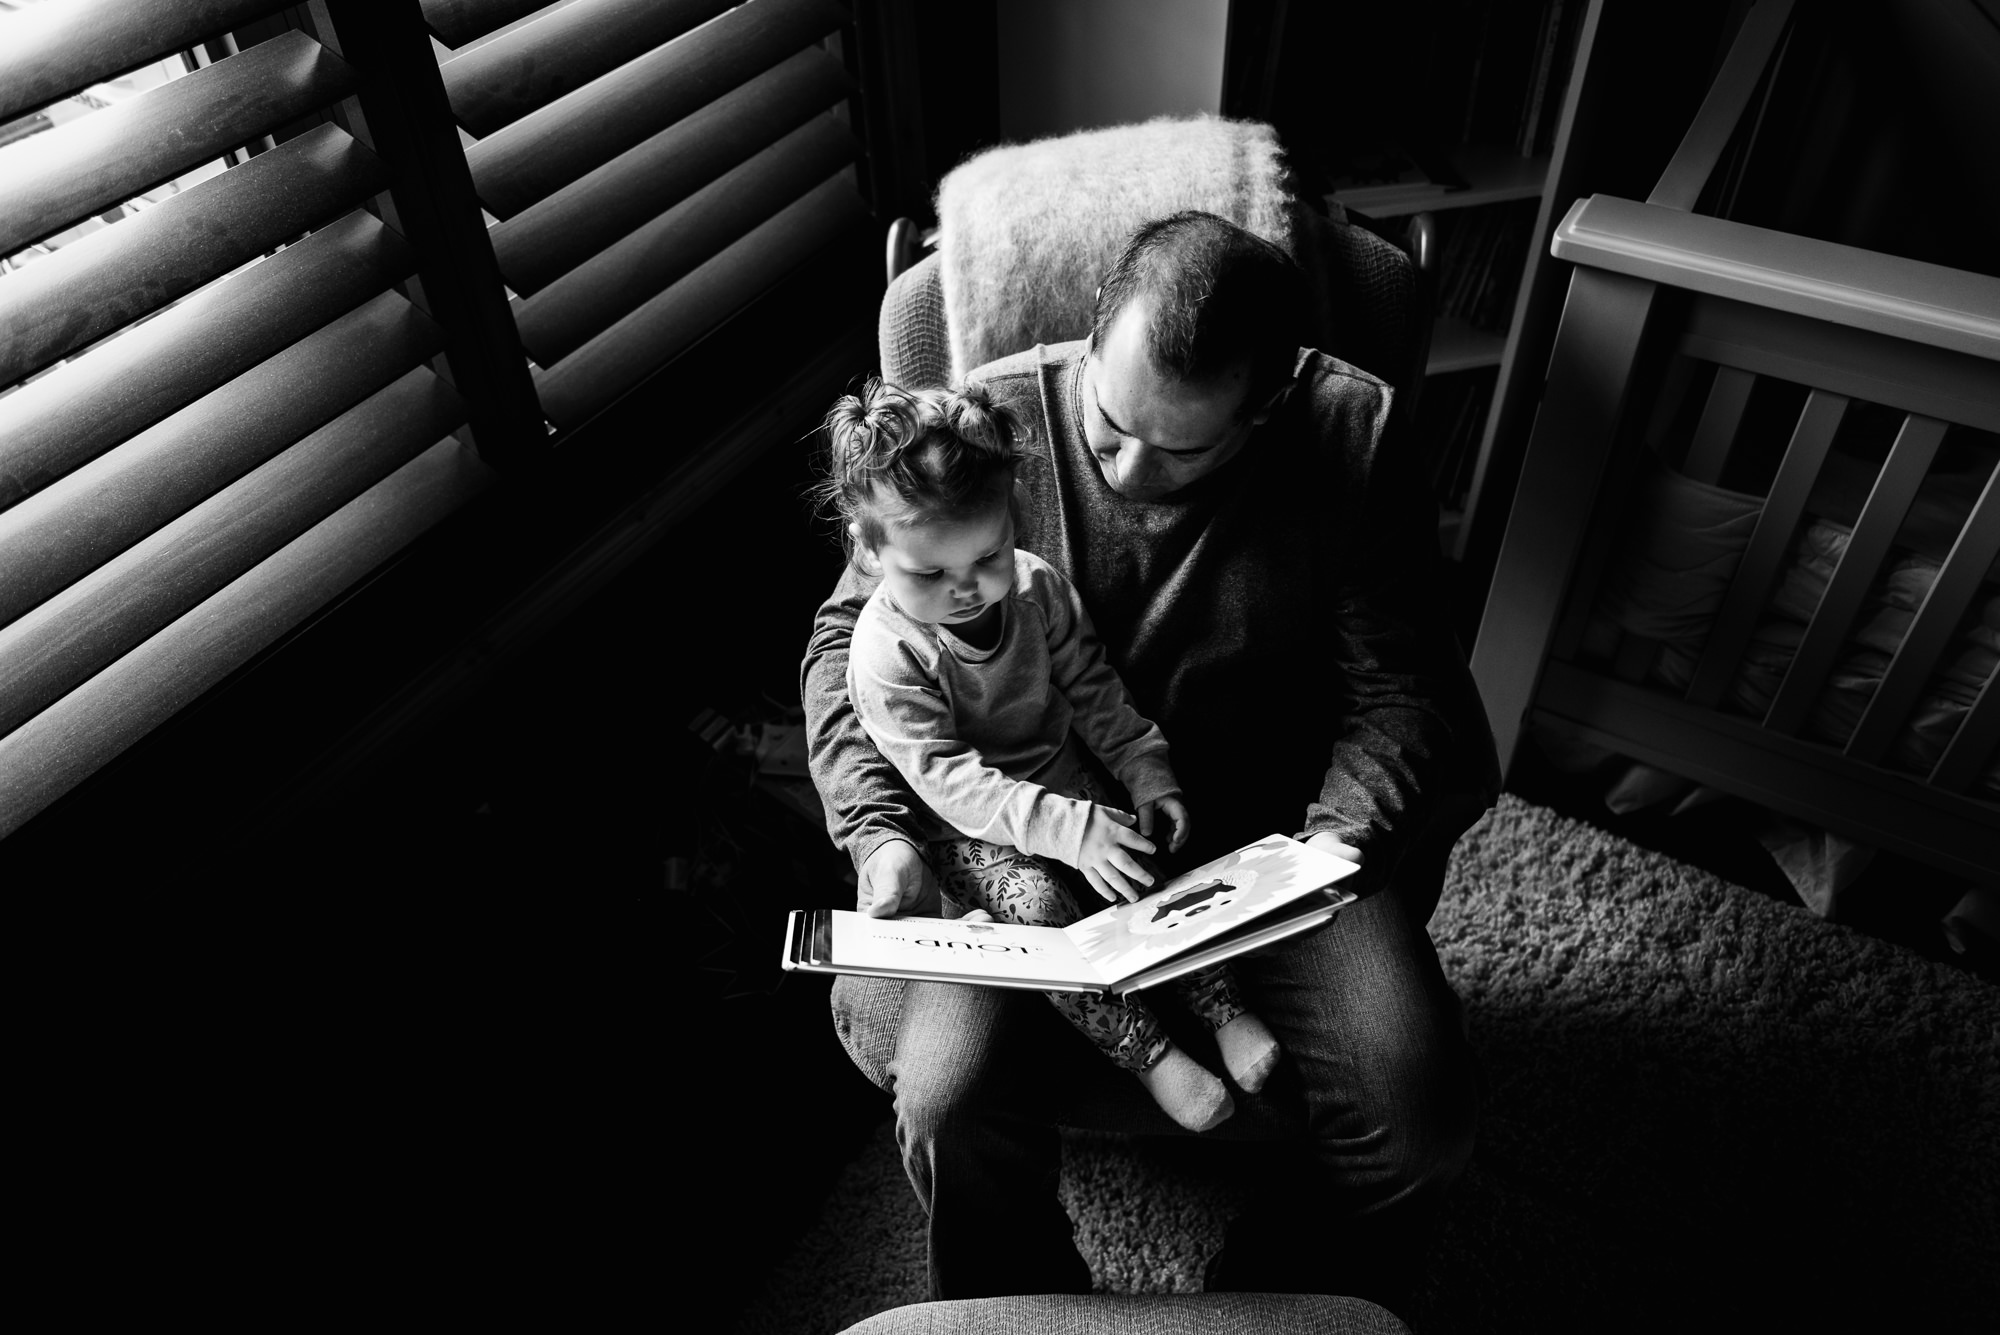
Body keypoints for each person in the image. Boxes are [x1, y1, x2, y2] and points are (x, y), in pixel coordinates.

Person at [801, 210, 1498, 1311]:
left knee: (1419, 1121)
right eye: (1109, 422)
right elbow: (847, 642)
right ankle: (1019, 1308)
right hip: (1016, 830)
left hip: (1266, 835)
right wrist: (876, 835)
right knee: (945, 1093)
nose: (1127, 468)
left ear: (1264, 406)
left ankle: (1270, 1306)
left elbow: (1400, 696)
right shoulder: (982, 429)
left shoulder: (1348, 437)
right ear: (1089, 335)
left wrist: (1324, 854)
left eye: (1181, 447)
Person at [810, 377, 1284, 1133]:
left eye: (988, 554)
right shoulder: (884, 655)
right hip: (966, 828)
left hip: (1060, 778)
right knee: (1041, 915)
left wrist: (1142, 767)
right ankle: (1152, 1053)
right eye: (930, 573)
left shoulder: (1035, 588)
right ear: (870, 552)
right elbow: (950, 781)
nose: (967, 589)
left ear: (1013, 520)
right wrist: (1065, 830)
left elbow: (1095, 689)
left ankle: (1221, 1004)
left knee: (1144, 860)